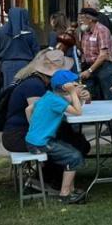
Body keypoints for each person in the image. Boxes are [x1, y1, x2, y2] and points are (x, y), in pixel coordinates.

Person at [1, 49, 91, 190]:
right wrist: (73, 96)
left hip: (25, 134)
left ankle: (53, 178)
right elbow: (40, 115)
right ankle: (52, 180)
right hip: (19, 136)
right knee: (73, 141)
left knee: (72, 138)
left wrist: (80, 96)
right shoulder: (34, 86)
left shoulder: (41, 84)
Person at [25, 68, 87, 204]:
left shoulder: (49, 96)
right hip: (40, 143)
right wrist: (73, 93)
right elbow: (78, 112)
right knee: (74, 157)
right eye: (75, 84)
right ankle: (65, 194)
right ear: (65, 88)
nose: (77, 86)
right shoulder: (56, 101)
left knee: (71, 149)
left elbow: (28, 109)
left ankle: (71, 189)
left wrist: (32, 128)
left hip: (35, 140)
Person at [0, 7, 42, 88]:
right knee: (23, 90)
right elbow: (36, 51)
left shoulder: (1, 31)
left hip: (6, 66)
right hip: (25, 66)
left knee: (7, 92)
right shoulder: (30, 32)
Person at [77, 7, 112, 101]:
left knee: (107, 93)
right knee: (87, 92)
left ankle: (111, 113)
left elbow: (103, 55)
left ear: (90, 19)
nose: (80, 21)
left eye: (82, 19)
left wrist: (89, 71)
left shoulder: (102, 30)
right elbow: (82, 50)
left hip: (104, 66)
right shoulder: (85, 31)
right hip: (89, 65)